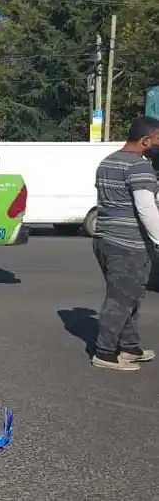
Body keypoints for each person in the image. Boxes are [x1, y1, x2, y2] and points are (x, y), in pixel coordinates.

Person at [92, 116, 159, 371]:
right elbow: (146, 209)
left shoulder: (107, 162)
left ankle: (130, 346)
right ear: (145, 140)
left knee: (127, 295)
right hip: (129, 244)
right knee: (120, 299)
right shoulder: (139, 167)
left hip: (104, 239)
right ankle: (105, 352)